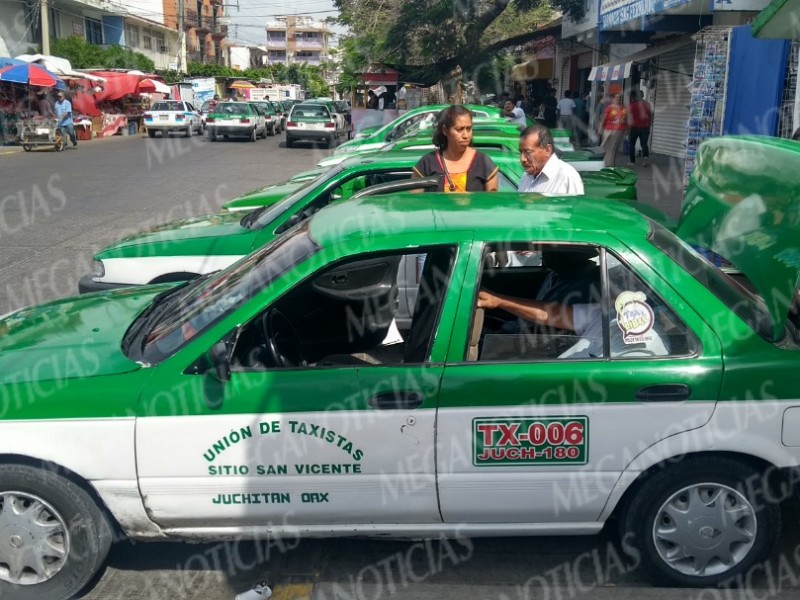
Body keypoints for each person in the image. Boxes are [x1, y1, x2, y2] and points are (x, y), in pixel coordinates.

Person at [412, 105, 499, 192]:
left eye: (468, 129)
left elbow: (491, 202)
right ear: (445, 130)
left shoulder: (483, 162)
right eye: (459, 129)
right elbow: (416, 201)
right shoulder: (428, 163)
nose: (466, 135)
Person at [517, 124, 584, 195]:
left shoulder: (567, 176)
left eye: (528, 152)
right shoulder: (526, 177)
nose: (522, 159)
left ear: (547, 150)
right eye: (521, 152)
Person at [599, 93, 627, 167]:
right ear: (613, 99)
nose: (618, 99)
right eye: (616, 97)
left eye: (620, 97)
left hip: (620, 130)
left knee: (616, 148)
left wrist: (627, 129)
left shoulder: (623, 108)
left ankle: (611, 163)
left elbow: (625, 120)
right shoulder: (609, 108)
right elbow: (603, 119)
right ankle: (609, 164)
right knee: (609, 148)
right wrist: (600, 128)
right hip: (610, 130)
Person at [628, 90, 652, 166]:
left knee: (632, 144)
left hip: (634, 127)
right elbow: (651, 115)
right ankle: (645, 158)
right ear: (643, 96)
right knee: (644, 143)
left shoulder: (632, 105)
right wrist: (649, 124)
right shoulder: (647, 104)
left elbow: (629, 117)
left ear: (636, 96)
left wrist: (628, 128)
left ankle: (632, 161)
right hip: (645, 127)